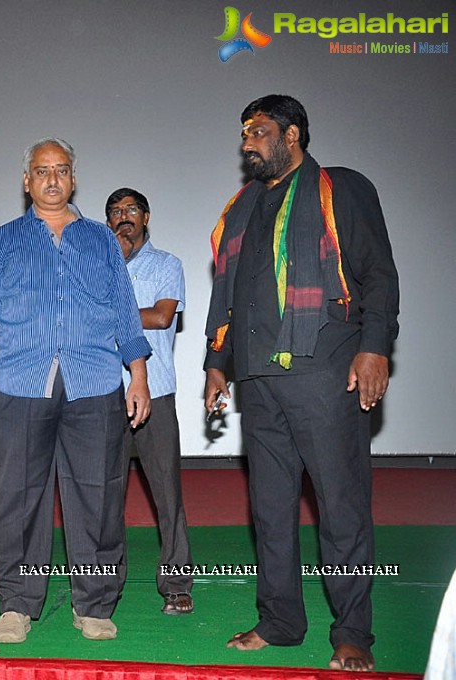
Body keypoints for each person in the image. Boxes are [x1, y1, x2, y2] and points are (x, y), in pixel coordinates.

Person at [204, 95, 399, 671]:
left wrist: (373, 348)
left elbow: (378, 274)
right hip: (258, 381)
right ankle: (282, 622)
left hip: (325, 372)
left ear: (292, 135)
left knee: (340, 509)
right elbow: (227, 293)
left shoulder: (340, 188)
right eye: (244, 133)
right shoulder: (239, 207)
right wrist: (217, 362)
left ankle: (353, 633)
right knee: (269, 509)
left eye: (258, 131)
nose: (247, 143)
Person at [0, 138, 152, 643]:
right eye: (42, 170)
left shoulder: (101, 240)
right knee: (17, 498)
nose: (52, 179)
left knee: (99, 497)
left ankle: (93, 605)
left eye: (61, 170)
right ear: (27, 181)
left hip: (94, 383)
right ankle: (18, 605)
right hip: (19, 383)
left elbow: (126, 315)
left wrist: (138, 376)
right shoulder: (2, 241)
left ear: (73, 180)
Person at [105, 187, 194, 615]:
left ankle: (177, 583)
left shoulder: (166, 264)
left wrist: (107, 315)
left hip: (155, 394)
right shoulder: (97, 268)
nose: (124, 217)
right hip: (104, 397)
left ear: (146, 217)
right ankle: (105, 586)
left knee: (167, 496)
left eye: (132, 210)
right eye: (116, 212)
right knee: (104, 498)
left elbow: (161, 316)